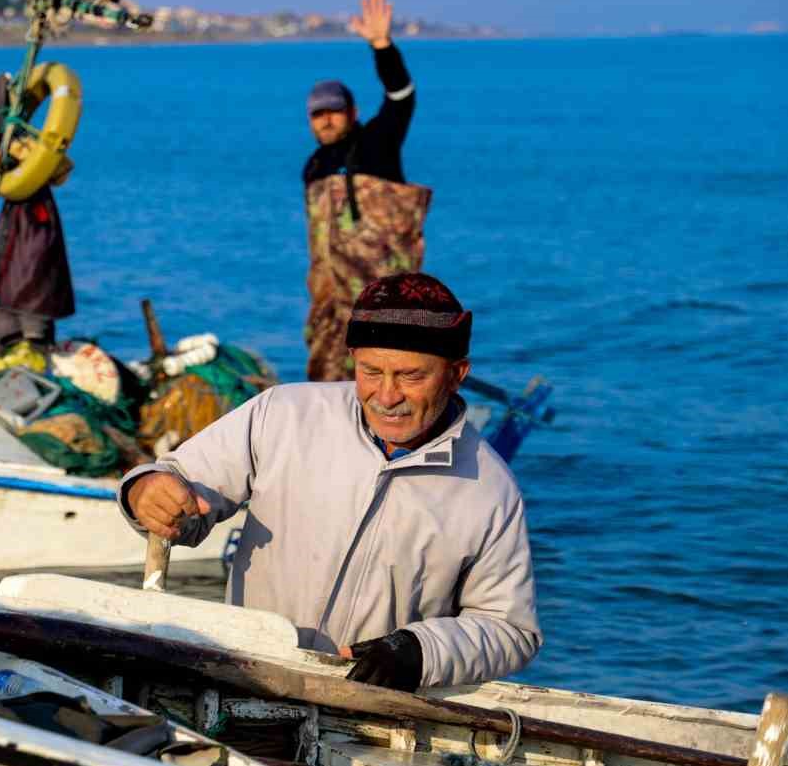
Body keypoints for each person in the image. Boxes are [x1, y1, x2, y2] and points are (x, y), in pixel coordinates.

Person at [118, 273, 540, 691]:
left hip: (369, 713)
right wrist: (145, 490)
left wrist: (421, 650)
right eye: (371, 371)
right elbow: (179, 485)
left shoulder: (490, 489)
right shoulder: (282, 414)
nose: (387, 396)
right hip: (245, 683)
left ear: (456, 373)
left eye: (411, 377)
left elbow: (509, 629)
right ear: (353, 357)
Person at [302, 0, 431, 382]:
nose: (325, 121)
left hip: (380, 300)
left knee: (387, 381)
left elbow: (401, 97)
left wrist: (381, 46)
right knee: (325, 393)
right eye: (317, 114)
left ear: (352, 113)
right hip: (330, 307)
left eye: (334, 112)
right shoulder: (314, 167)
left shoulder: (377, 141)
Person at [0, 72, 76, 352]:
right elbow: (60, 172)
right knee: (19, 281)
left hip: (29, 219)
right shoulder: (7, 142)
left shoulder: (22, 143)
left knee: (30, 279)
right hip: (21, 219)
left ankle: (29, 342)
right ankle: (13, 340)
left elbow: (59, 169)